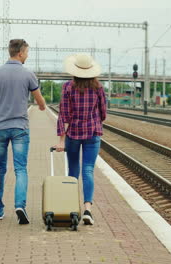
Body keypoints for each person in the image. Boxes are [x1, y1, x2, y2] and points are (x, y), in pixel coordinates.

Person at [0, 39, 46, 224]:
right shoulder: (28, 74)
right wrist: (42, 106)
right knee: (20, 169)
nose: (27, 55)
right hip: (20, 129)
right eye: (26, 52)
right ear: (20, 53)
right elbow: (40, 100)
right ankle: (20, 205)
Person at [54, 53, 107, 225]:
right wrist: (94, 119)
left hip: (73, 134)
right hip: (92, 133)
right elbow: (103, 113)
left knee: (73, 170)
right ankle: (88, 210)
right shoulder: (98, 88)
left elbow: (63, 115)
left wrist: (61, 140)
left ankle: (71, 208)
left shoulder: (68, 87)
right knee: (88, 170)